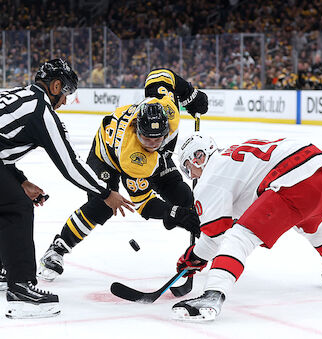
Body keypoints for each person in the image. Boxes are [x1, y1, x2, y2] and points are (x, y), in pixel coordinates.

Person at [0, 58, 134, 319]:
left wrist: (20, 180)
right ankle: (22, 291)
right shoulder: (42, 111)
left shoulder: (19, 93)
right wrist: (106, 193)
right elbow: (70, 166)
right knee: (17, 208)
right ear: (56, 85)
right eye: (66, 95)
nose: (64, 102)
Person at [37, 68, 209, 282]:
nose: (152, 144)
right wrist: (172, 213)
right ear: (137, 131)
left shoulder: (169, 109)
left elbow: (160, 75)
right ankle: (57, 249)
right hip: (106, 156)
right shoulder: (133, 156)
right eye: (147, 139)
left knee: (184, 196)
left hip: (150, 158)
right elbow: (144, 204)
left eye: (158, 139)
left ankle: (204, 249)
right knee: (103, 206)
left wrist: (191, 95)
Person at [171, 134, 322, 322]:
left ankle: (212, 296)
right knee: (309, 224)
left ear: (198, 157)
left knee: (239, 237)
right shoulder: (231, 156)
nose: (191, 176)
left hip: (294, 183)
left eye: (188, 169)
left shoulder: (211, 177)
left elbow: (215, 237)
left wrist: (194, 257)